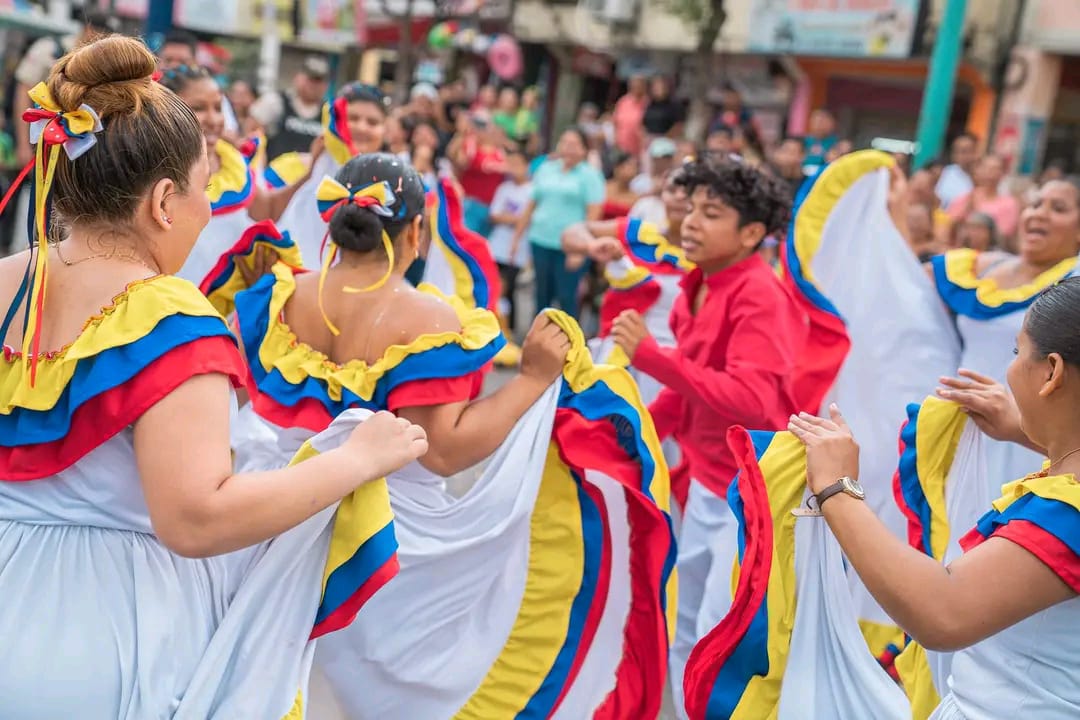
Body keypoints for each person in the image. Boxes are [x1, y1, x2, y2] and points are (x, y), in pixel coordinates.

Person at [0, 35, 427, 717]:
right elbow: (197, 518)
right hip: (106, 633)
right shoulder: (170, 316)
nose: (208, 212)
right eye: (205, 190)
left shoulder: (6, 281)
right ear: (164, 201)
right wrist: (356, 460)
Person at [229, 155, 676, 719]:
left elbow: (236, 404)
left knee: (276, 671)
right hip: (379, 536)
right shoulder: (426, 319)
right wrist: (533, 379)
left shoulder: (277, 295)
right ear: (416, 230)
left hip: (270, 511)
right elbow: (443, 451)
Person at [787, 277, 1080, 719]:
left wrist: (837, 489)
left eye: (1016, 352)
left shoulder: (1066, 515)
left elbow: (943, 612)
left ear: (1051, 372)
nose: (1012, 368)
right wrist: (1030, 430)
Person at [608, 159, 804, 714]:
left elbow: (754, 401)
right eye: (691, 207)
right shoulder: (699, 282)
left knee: (721, 635)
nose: (690, 221)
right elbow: (689, 390)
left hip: (749, 495)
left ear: (751, 233)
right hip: (705, 485)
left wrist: (652, 358)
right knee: (686, 622)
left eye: (711, 213)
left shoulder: (759, 294)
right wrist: (635, 431)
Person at [159, 65, 313, 293]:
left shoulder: (234, 162)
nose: (214, 119)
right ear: (165, 113)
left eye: (218, 107)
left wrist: (312, 173)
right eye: (198, 108)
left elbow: (267, 210)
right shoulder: (154, 172)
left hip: (227, 305)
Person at [276, 82, 389, 267]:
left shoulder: (393, 183)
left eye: (372, 122)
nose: (362, 127)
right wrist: (310, 172)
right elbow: (268, 214)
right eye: (353, 118)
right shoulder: (292, 165)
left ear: (385, 130)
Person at [512, 127, 606, 318]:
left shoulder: (590, 175)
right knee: (541, 295)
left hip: (570, 246)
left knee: (566, 297)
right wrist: (516, 238)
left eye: (574, 144)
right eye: (564, 142)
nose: (568, 148)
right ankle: (539, 334)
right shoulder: (546, 168)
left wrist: (581, 249)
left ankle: (569, 336)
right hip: (541, 239)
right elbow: (531, 205)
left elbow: (593, 214)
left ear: (584, 149)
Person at [251, 55, 331, 162]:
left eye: (319, 81)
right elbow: (252, 135)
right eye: (310, 79)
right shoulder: (275, 102)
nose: (314, 85)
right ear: (298, 78)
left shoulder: (330, 113)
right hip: (274, 170)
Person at [488, 148, 533, 334]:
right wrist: (518, 219)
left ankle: (510, 330)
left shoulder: (533, 191)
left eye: (517, 164)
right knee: (494, 285)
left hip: (518, 249)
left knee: (509, 289)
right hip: (497, 245)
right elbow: (494, 215)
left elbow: (529, 219)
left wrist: (512, 219)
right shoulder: (504, 188)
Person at [448, 113, 507, 237]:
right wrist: (462, 134)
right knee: (464, 239)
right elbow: (456, 158)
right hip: (471, 203)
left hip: (490, 207)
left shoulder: (501, 153)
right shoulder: (471, 147)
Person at [947, 154, 1020, 240]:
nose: (990, 173)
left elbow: (1004, 233)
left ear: (1002, 174)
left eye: (995, 169)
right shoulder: (966, 197)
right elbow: (949, 225)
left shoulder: (1009, 203)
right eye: (986, 168)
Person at [936, 132, 979, 209]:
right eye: (957, 151)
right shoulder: (945, 174)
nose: (961, 156)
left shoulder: (986, 175)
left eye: (966, 151)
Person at [613, 75, 649, 156]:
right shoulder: (623, 101)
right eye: (633, 85)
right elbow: (615, 123)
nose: (636, 88)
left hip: (640, 149)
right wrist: (615, 140)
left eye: (639, 85)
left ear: (644, 87)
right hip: (621, 146)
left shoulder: (648, 103)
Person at [603, 150, 640, 220]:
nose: (632, 170)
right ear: (617, 168)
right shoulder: (602, 188)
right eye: (629, 165)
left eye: (635, 167)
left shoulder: (636, 198)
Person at [769, 135, 806, 199]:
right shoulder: (768, 181)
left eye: (792, 153)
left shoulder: (807, 184)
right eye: (784, 151)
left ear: (802, 156)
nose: (787, 156)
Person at [802, 108, 838, 175]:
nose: (819, 125)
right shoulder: (802, 141)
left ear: (832, 123)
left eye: (822, 121)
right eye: (816, 121)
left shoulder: (837, 144)